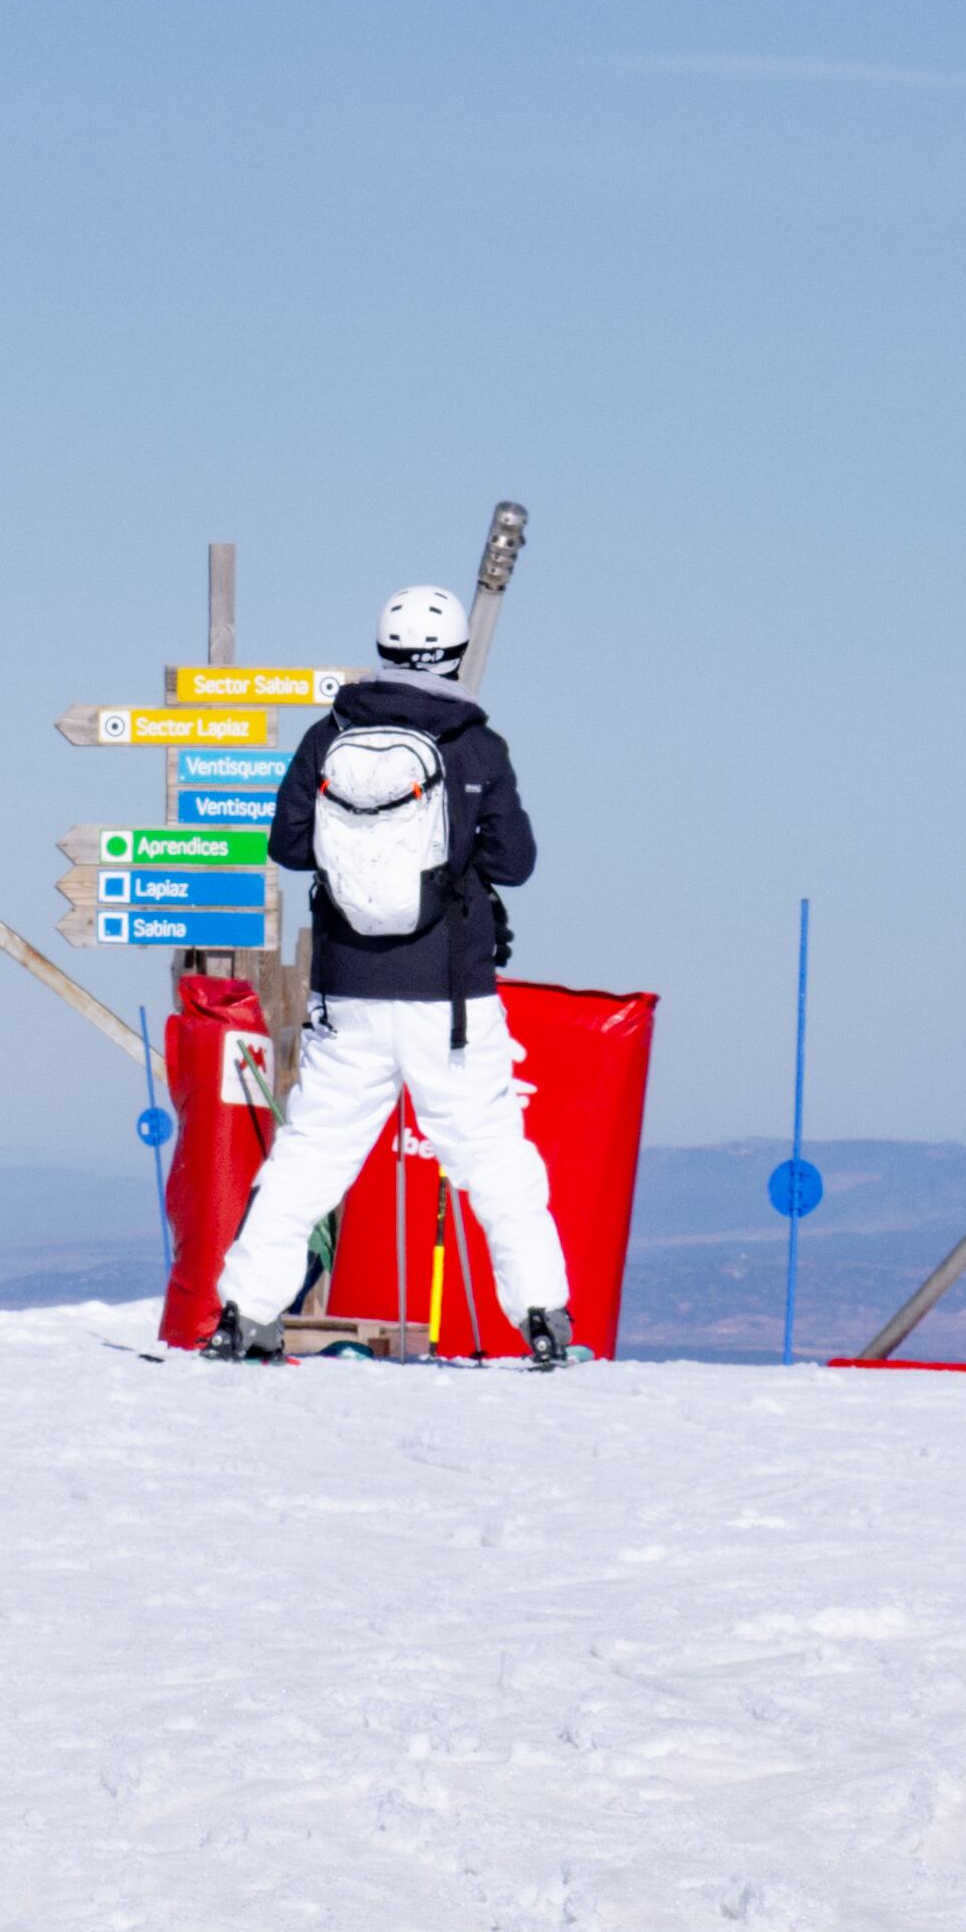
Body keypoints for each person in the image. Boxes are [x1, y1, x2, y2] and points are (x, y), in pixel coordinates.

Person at [200, 581, 580, 1370]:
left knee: (310, 1155)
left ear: (382, 648)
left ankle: (243, 1313)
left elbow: (289, 845)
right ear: (457, 653)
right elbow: (518, 862)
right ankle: (542, 1316)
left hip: (348, 993)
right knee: (493, 1156)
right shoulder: (477, 745)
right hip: (451, 999)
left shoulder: (329, 734)